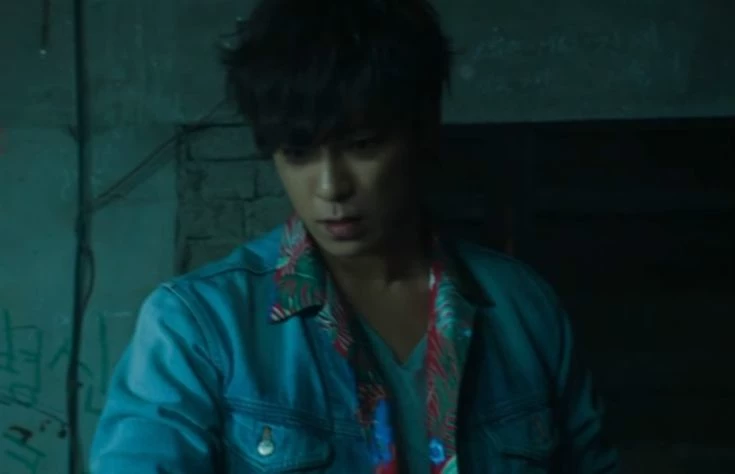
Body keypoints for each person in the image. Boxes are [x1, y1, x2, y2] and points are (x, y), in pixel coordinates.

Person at [89, 0, 620, 472]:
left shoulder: (522, 308)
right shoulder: (199, 326)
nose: (330, 187)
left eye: (362, 145)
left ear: (421, 132)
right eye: (298, 153)